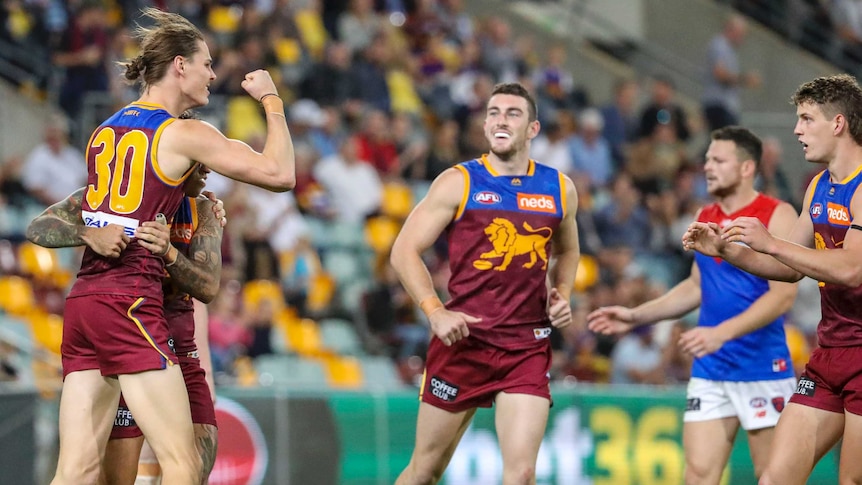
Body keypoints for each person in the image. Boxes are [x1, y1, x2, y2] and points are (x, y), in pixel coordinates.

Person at [42, 7, 295, 484]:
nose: (213, 75)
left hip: (85, 303)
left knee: (74, 470)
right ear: (180, 66)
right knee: (181, 462)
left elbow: (86, 211)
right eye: (207, 63)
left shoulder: (104, 131)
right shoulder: (181, 132)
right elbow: (281, 175)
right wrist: (272, 100)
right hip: (131, 302)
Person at [390, 82, 580, 484]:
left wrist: (562, 293)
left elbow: (567, 251)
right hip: (463, 342)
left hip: (525, 346)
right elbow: (403, 250)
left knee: (522, 473)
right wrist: (435, 311)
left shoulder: (559, 189)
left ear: (533, 129)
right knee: (425, 470)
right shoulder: (458, 182)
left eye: (513, 113)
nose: (500, 120)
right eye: (493, 112)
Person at [588, 126, 798, 484]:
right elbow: (695, 286)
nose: (708, 166)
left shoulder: (777, 214)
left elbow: (783, 296)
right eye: (706, 159)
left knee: (772, 477)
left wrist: (721, 333)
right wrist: (636, 316)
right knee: (698, 475)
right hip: (711, 368)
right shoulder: (705, 215)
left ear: (747, 168)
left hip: (763, 366)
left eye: (718, 160)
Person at [682, 74, 862, 485]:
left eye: (806, 119)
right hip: (831, 352)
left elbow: (853, 268)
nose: (797, 130)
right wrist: (727, 251)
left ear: (838, 123)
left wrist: (771, 243)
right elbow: (790, 269)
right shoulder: (819, 185)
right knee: (774, 479)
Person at [27, 163, 224, 484]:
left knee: (195, 467)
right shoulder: (111, 198)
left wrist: (169, 252)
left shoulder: (203, 209)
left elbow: (208, 288)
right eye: (198, 162)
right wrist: (88, 233)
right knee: (117, 474)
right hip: (128, 331)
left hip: (177, 344)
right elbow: (39, 226)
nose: (207, 171)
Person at [701, 14, 761, 133]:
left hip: (724, 106)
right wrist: (745, 79)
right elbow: (720, 74)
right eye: (741, 34)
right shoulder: (720, 45)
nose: (742, 39)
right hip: (719, 104)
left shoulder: (729, 50)